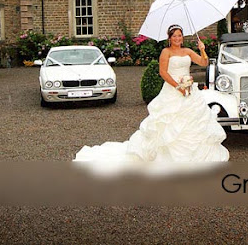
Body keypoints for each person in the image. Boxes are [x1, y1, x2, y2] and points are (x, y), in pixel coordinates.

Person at [73, 24, 229, 164]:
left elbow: (203, 63)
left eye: (180, 35)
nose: (177, 38)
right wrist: (178, 87)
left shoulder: (187, 51)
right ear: (170, 38)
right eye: (174, 36)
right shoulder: (166, 52)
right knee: (169, 124)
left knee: (193, 123)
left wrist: (202, 50)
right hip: (173, 91)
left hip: (189, 92)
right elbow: (163, 72)